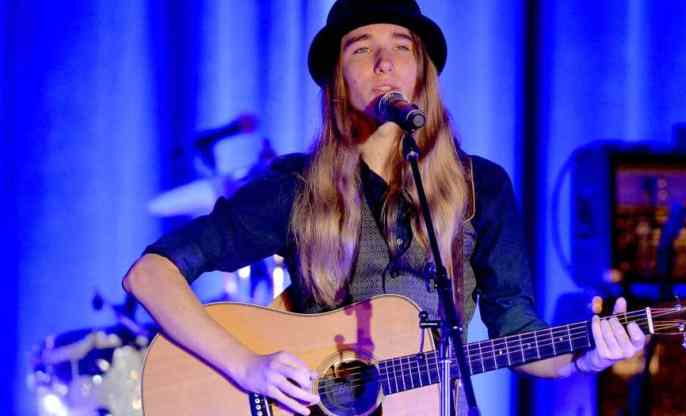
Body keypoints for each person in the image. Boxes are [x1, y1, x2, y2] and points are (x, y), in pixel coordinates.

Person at [123, 1, 647, 415]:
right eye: (360, 49)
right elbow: (150, 274)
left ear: (422, 72)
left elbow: (515, 330)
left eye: (402, 46)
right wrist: (248, 368)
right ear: (336, 79)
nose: (384, 63)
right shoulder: (297, 188)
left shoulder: (479, 186)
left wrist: (588, 357)